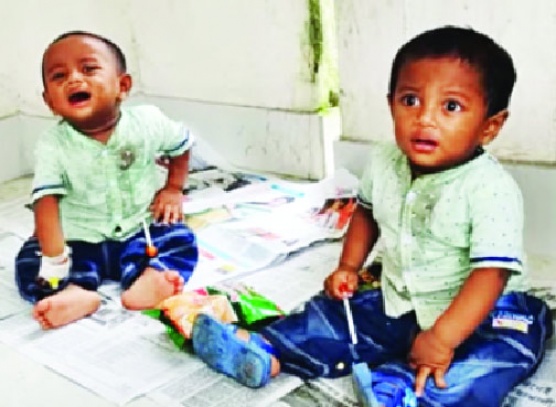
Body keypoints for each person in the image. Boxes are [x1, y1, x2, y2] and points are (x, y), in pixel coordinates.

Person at [190, 26, 553, 407]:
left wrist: (443, 338)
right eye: (411, 100)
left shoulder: (490, 189)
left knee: (495, 357)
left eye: (450, 107)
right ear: (391, 103)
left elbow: (491, 274)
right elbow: (367, 212)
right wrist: (349, 266)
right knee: (337, 316)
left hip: (485, 311)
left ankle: (406, 394)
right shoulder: (384, 160)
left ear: (490, 126)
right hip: (401, 300)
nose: (425, 119)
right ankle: (266, 349)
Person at [15, 31, 198, 330]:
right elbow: (45, 200)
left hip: (140, 230)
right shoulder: (52, 144)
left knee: (179, 238)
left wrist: (173, 189)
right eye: (59, 76)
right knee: (30, 261)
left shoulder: (148, 122)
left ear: (122, 86)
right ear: (50, 102)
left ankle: (151, 278)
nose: (74, 79)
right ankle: (73, 293)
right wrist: (54, 258)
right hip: (78, 238)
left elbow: (181, 145)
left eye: (89, 69)